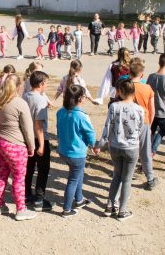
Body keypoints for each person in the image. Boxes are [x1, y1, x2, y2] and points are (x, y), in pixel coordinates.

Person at [94, 79, 143, 221]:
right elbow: (140, 129)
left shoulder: (114, 106)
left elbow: (107, 127)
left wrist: (100, 144)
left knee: (116, 175)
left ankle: (109, 206)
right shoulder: (139, 109)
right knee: (127, 179)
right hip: (131, 147)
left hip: (115, 146)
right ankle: (122, 211)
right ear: (134, 92)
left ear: (120, 92)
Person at [0, 74, 36, 221]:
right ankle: (21, 209)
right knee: (18, 177)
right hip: (14, 143)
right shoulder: (19, 103)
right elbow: (28, 128)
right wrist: (31, 146)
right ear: (18, 86)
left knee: (1, 173)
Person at [57, 85, 96, 217]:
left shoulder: (60, 112)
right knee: (73, 179)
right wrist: (93, 145)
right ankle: (67, 209)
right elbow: (90, 134)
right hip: (77, 153)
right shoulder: (81, 116)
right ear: (80, 98)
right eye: (84, 96)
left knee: (78, 173)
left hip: (64, 151)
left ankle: (79, 200)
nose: (85, 98)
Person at [23, 71, 55, 212]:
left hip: (26, 137)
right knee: (43, 169)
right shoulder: (40, 100)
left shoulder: (26, 95)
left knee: (29, 168)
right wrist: (42, 145)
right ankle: (39, 199)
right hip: (38, 138)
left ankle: (26, 194)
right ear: (41, 84)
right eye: (46, 83)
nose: (47, 86)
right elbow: (39, 125)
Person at [128, 59, 157, 190]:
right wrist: (149, 125)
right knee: (145, 151)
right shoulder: (147, 88)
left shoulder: (125, 87)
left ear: (129, 73)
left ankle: (128, 174)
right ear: (142, 75)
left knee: (130, 149)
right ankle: (150, 178)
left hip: (128, 123)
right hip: (144, 122)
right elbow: (152, 109)